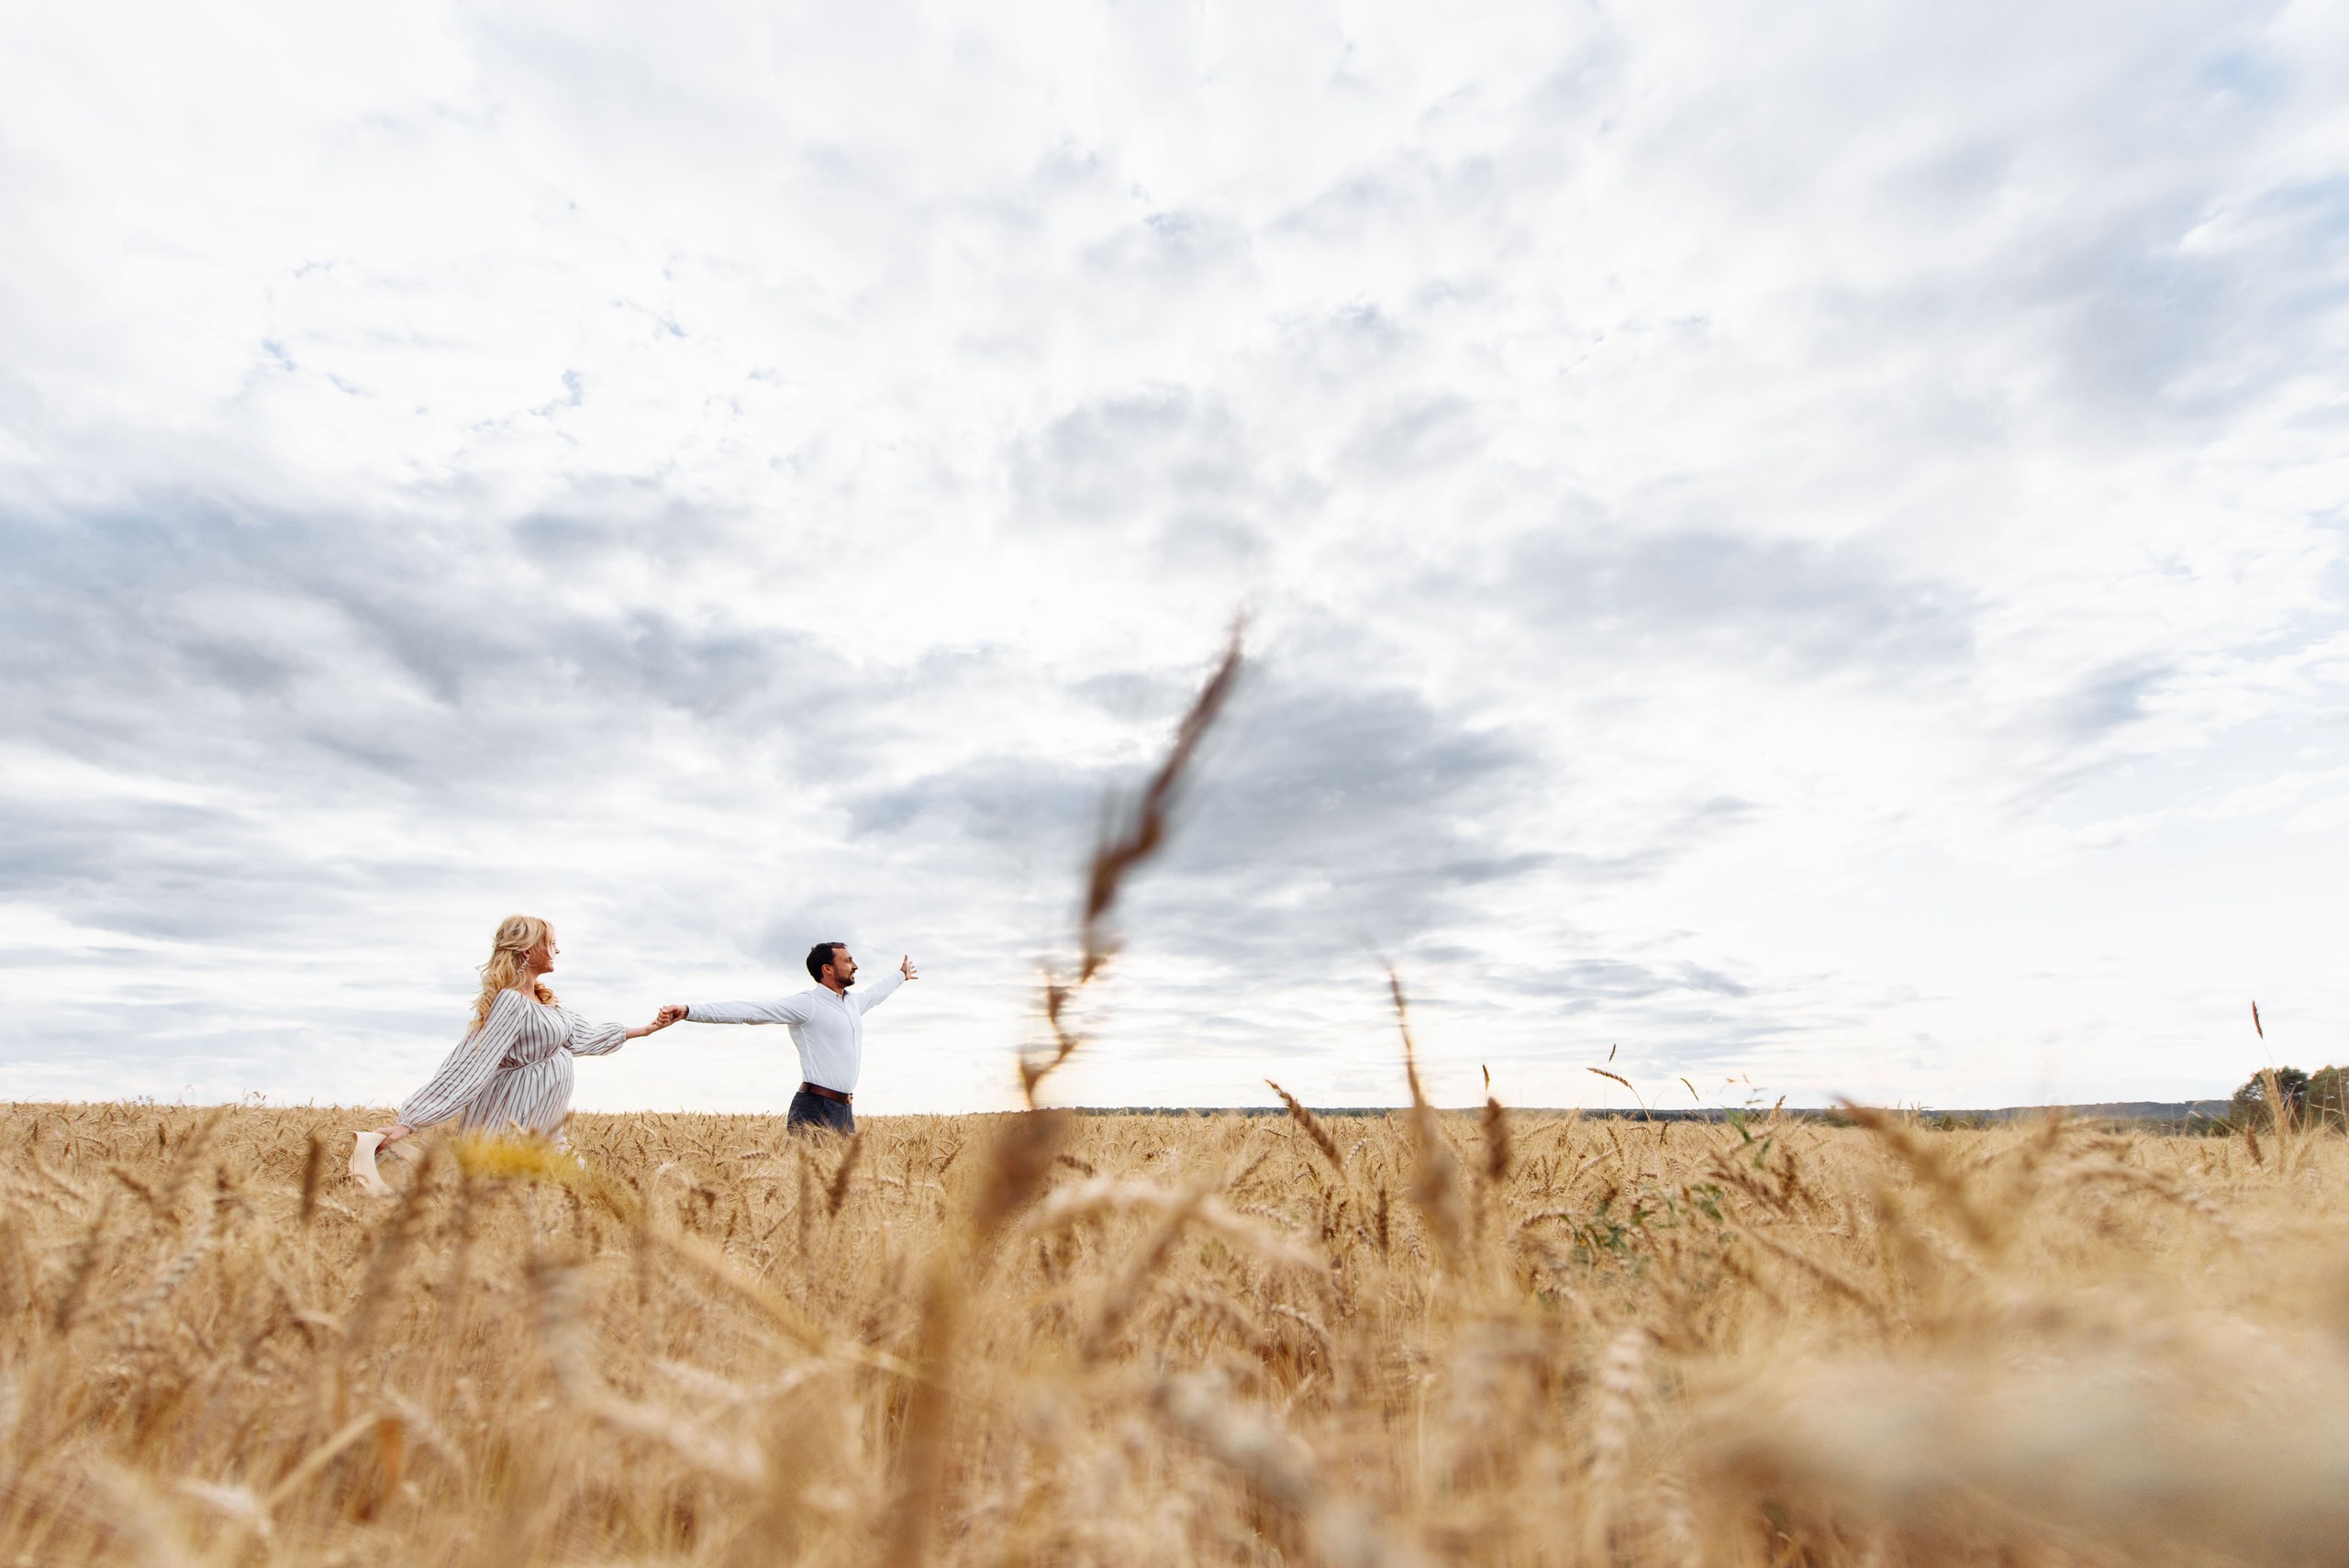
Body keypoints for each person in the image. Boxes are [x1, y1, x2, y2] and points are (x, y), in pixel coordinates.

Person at [373, 915, 673, 1150]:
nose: (558, 950)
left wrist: (647, 1029)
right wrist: (409, 1123)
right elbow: (471, 1063)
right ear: (529, 950)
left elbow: (582, 1037)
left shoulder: (545, 1003)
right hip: (508, 1124)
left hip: (544, 1130)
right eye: (551, 943)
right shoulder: (511, 1002)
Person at [657, 943, 917, 1135]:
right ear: (827, 969)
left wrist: (900, 975)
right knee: (805, 1190)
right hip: (815, 1107)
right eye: (848, 960)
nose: (855, 965)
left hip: (843, 1109)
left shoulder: (853, 1003)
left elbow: (878, 992)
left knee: (839, 1196)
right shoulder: (808, 1004)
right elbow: (750, 1011)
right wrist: (690, 1011)